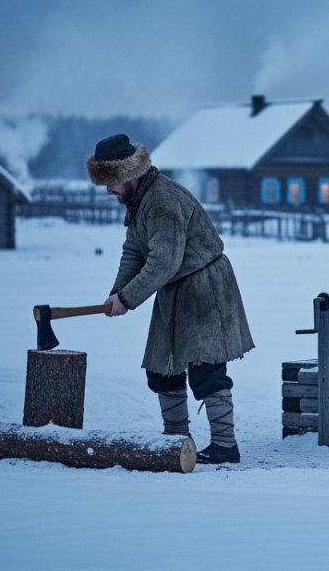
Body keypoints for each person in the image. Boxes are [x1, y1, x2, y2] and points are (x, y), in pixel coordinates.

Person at [87, 134, 254, 464]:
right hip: (175, 289)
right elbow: (135, 251)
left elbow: (164, 261)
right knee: (161, 369)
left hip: (204, 285)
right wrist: (116, 293)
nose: (109, 191)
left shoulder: (162, 202)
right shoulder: (140, 201)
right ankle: (176, 442)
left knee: (206, 367)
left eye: (112, 183)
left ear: (128, 174)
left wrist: (128, 298)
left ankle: (225, 445)